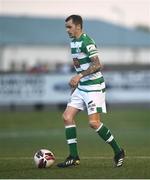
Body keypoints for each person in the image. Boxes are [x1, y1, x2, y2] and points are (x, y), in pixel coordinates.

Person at [57, 15, 125, 168]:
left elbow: (98, 65)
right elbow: (80, 66)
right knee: (67, 117)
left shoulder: (87, 41)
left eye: (69, 27)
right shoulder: (73, 42)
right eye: (66, 27)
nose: (67, 30)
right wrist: (76, 84)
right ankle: (73, 157)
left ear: (78, 27)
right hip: (82, 87)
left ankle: (118, 151)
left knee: (93, 123)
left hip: (94, 86)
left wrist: (79, 76)